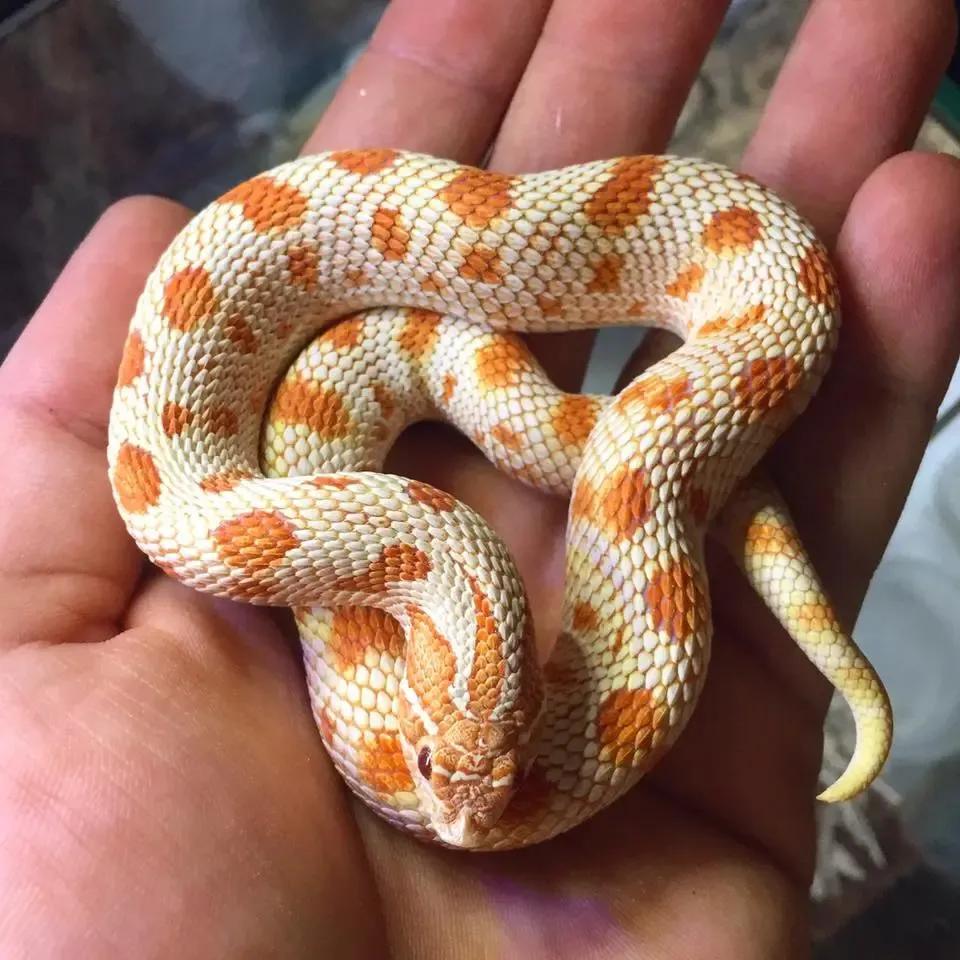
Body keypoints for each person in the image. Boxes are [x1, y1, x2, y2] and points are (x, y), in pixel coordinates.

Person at [2, 0, 959, 955]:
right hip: (381, 450)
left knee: (645, 448)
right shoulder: (302, 541)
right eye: (447, 771)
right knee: (636, 456)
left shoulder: (414, 579)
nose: (468, 818)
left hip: (749, 269)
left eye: (457, 768)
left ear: (531, 703)